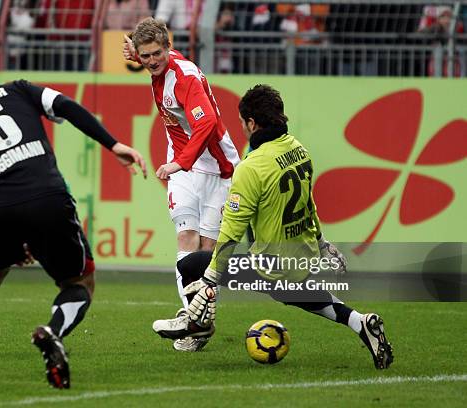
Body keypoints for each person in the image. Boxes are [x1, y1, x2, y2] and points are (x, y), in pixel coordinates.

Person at [0, 47, 147, 388]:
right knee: (80, 283)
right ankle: (53, 332)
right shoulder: (17, 89)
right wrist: (113, 145)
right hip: (47, 196)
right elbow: (66, 106)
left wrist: (0, 243)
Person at [152, 84, 394, 370]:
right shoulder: (299, 150)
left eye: (242, 123)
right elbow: (308, 204)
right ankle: (360, 323)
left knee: (191, 265)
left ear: (252, 123)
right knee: (296, 292)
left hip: (271, 264)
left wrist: (209, 282)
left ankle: (197, 327)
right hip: (302, 255)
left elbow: (230, 231)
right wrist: (322, 242)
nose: (241, 128)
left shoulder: (251, 167)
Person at [123, 17, 240, 352]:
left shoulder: (184, 77)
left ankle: (198, 319)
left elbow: (208, 124)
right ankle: (196, 323)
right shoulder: (156, 64)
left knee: (206, 254)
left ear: (169, 47)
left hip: (218, 169)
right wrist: (137, 52)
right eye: (145, 56)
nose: (151, 61)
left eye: (157, 53)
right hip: (185, 168)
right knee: (185, 239)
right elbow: (150, 57)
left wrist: (181, 161)